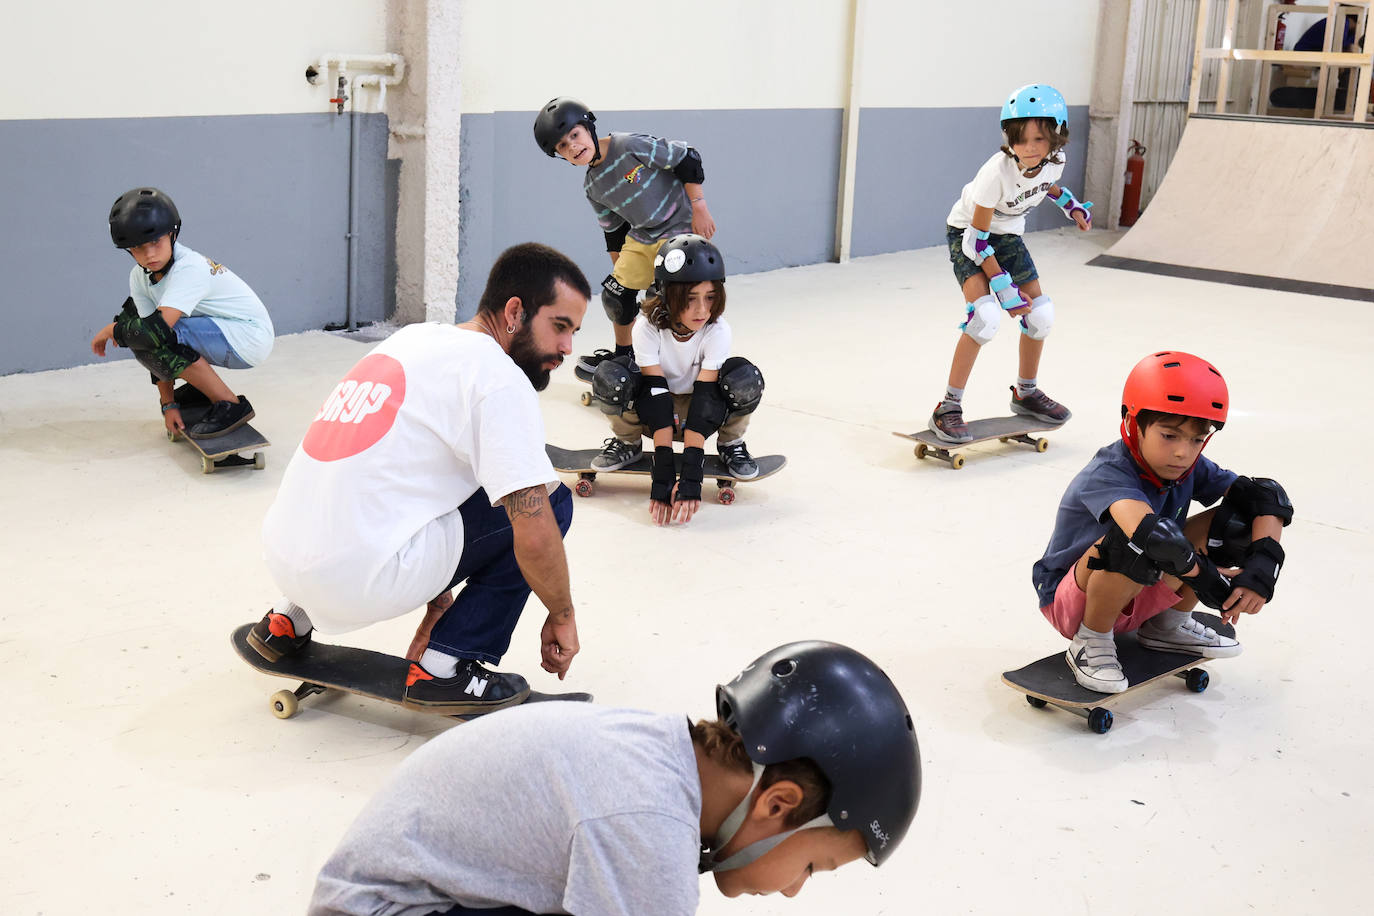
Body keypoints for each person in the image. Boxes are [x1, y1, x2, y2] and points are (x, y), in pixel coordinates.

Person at [308, 640, 922, 916]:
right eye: (813, 867)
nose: (793, 890)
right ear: (779, 803)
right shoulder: (647, 824)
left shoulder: (659, 752)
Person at [253, 243, 591, 715]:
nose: (567, 348)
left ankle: (287, 622)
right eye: (560, 326)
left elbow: (394, 476)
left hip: (285, 557)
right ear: (514, 311)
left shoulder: (411, 341)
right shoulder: (496, 376)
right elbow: (533, 533)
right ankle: (445, 667)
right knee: (548, 501)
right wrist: (562, 614)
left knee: (451, 479)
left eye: (574, 332)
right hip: (359, 576)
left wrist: (437, 596)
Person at [1032, 351, 1293, 694]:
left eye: (1196, 440)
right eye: (1169, 436)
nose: (1183, 453)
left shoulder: (1188, 465)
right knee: (1139, 539)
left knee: (1236, 519)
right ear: (1132, 423)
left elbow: (1263, 498)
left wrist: (1261, 571)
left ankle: (1167, 625)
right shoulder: (1108, 473)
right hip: (1073, 600)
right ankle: (1091, 641)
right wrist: (1213, 585)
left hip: (1143, 583)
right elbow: (1151, 536)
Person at [928, 84, 1091, 444]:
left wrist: (1072, 206)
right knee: (984, 317)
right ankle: (948, 406)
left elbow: (1046, 185)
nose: (1029, 148)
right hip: (969, 235)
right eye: (1020, 139)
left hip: (1008, 236)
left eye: (1038, 139)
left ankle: (1026, 393)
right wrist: (1002, 286)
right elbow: (977, 242)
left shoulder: (1055, 162)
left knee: (1040, 316)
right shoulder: (994, 174)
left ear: (1056, 137)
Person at [533, 97, 717, 383]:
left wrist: (700, 206)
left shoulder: (628, 145)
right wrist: (624, 280)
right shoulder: (592, 186)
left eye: (574, 135)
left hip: (679, 228)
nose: (573, 146)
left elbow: (687, 157)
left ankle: (666, 363)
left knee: (662, 299)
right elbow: (613, 231)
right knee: (616, 296)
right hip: (642, 237)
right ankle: (625, 357)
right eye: (563, 146)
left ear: (588, 127)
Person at [587, 234, 765, 526]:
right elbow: (655, 396)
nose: (702, 311)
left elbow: (706, 398)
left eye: (710, 297)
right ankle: (628, 443)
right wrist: (664, 473)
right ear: (668, 295)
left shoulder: (717, 330)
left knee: (744, 380)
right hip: (657, 410)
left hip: (701, 411)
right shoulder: (647, 327)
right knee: (610, 376)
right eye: (690, 299)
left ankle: (731, 444)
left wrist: (692, 477)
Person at [90, 187, 274, 438]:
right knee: (135, 324)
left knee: (150, 332)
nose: (150, 254)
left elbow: (154, 335)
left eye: (156, 242)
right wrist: (168, 404)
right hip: (219, 331)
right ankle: (202, 388)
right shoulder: (139, 277)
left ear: (172, 234)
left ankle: (231, 405)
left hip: (249, 338)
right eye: (138, 248)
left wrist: (111, 331)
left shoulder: (190, 268)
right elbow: (146, 337)